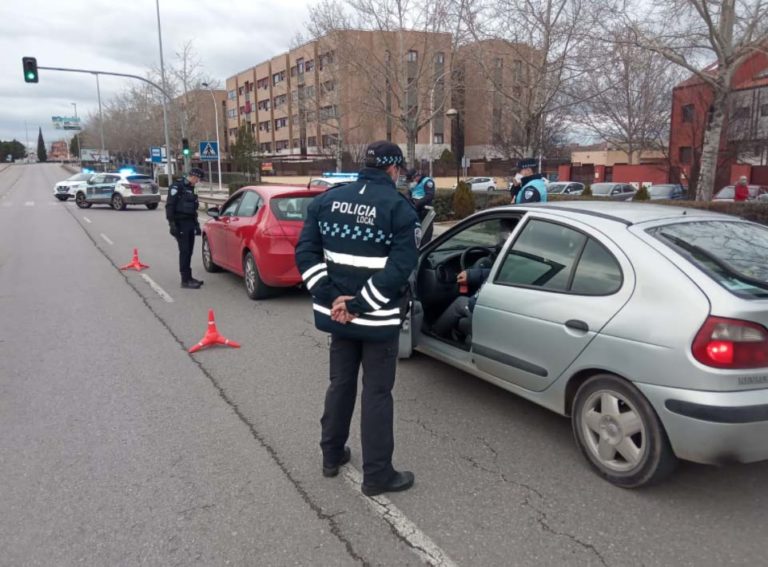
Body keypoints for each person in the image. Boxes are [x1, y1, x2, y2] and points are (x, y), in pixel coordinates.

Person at [295, 140, 420, 497]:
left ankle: (331, 456)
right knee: (377, 394)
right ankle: (377, 475)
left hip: (338, 318)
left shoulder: (326, 201)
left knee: (340, 384)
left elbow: (305, 253)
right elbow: (400, 269)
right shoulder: (400, 209)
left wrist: (333, 298)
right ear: (394, 170)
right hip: (377, 322)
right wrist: (360, 304)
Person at [432, 219, 517, 341]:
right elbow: (494, 274)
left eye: (504, 235)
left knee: (460, 302)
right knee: (462, 320)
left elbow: (474, 302)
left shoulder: (513, 260)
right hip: (504, 309)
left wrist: (473, 299)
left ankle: (434, 334)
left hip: (494, 310)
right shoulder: (521, 259)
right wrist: (471, 275)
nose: (501, 239)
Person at [166, 167, 205, 289]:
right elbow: (170, 206)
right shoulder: (177, 187)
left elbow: (194, 210)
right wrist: (172, 224)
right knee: (185, 252)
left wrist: (197, 225)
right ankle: (185, 280)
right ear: (193, 176)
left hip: (189, 224)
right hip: (180, 223)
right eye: (197, 179)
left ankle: (189, 277)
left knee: (190, 251)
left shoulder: (191, 188)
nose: (197, 181)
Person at [406, 169, 436, 244]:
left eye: (412, 179)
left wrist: (417, 204)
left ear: (416, 176)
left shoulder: (427, 181)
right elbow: (408, 194)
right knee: (415, 232)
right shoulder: (413, 183)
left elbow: (429, 195)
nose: (411, 182)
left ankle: (425, 249)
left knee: (426, 233)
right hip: (415, 210)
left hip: (425, 210)